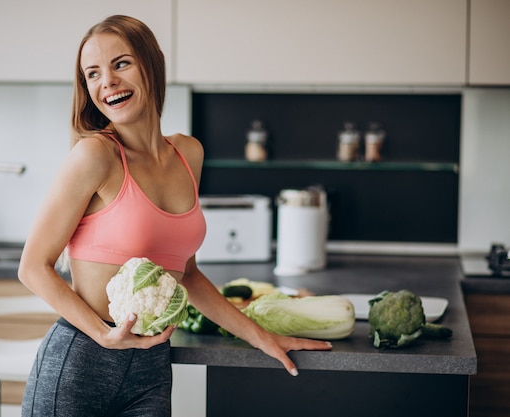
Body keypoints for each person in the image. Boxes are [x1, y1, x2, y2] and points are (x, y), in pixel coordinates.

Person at [17, 14, 332, 417]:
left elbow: (188, 274)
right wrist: (103, 333)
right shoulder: (95, 155)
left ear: (152, 64)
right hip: (82, 361)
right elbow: (33, 267)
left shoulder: (189, 154)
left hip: (150, 368)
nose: (107, 82)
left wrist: (261, 336)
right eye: (92, 73)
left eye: (121, 63)